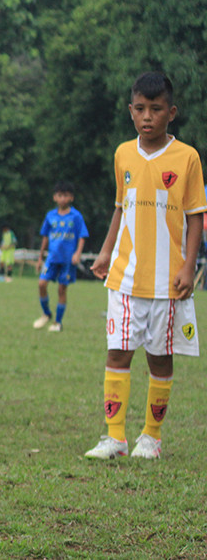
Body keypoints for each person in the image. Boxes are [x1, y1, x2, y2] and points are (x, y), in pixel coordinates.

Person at [85, 72, 206, 460]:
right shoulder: (123, 153)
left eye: (156, 109)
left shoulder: (187, 157)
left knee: (159, 358)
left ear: (171, 112)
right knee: (117, 353)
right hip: (125, 276)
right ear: (131, 111)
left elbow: (195, 216)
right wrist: (105, 251)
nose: (147, 117)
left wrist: (189, 266)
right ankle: (115, 437)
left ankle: (151, 438)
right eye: (140, 109)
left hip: (167, 281)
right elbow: (121, 207)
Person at [32, 181, 88, 332]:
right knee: (41, 284)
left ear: (71, 198)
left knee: (62, 290)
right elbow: (45, 237)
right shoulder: (50, 216)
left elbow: (82, 236)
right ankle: (46, 314)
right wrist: (40, 257)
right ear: (54, 197)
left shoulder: (76, 216)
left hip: (68, 259)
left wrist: (78, 253)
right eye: (59, 195)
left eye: (66, 195)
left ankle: (57, 323)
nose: (62, 198)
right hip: (52, 258)